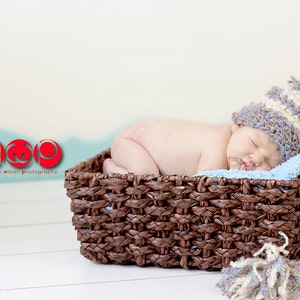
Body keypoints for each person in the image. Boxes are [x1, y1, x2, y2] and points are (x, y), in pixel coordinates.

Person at [103, 77, 300, 176]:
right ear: (237, 126)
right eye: (254, 143)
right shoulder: (216, 149)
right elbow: (203, 191)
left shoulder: (233, 148)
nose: (256, 158)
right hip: (133, 142)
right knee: (146, 177)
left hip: (139, 138)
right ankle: (113, 170)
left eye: (269, 163)